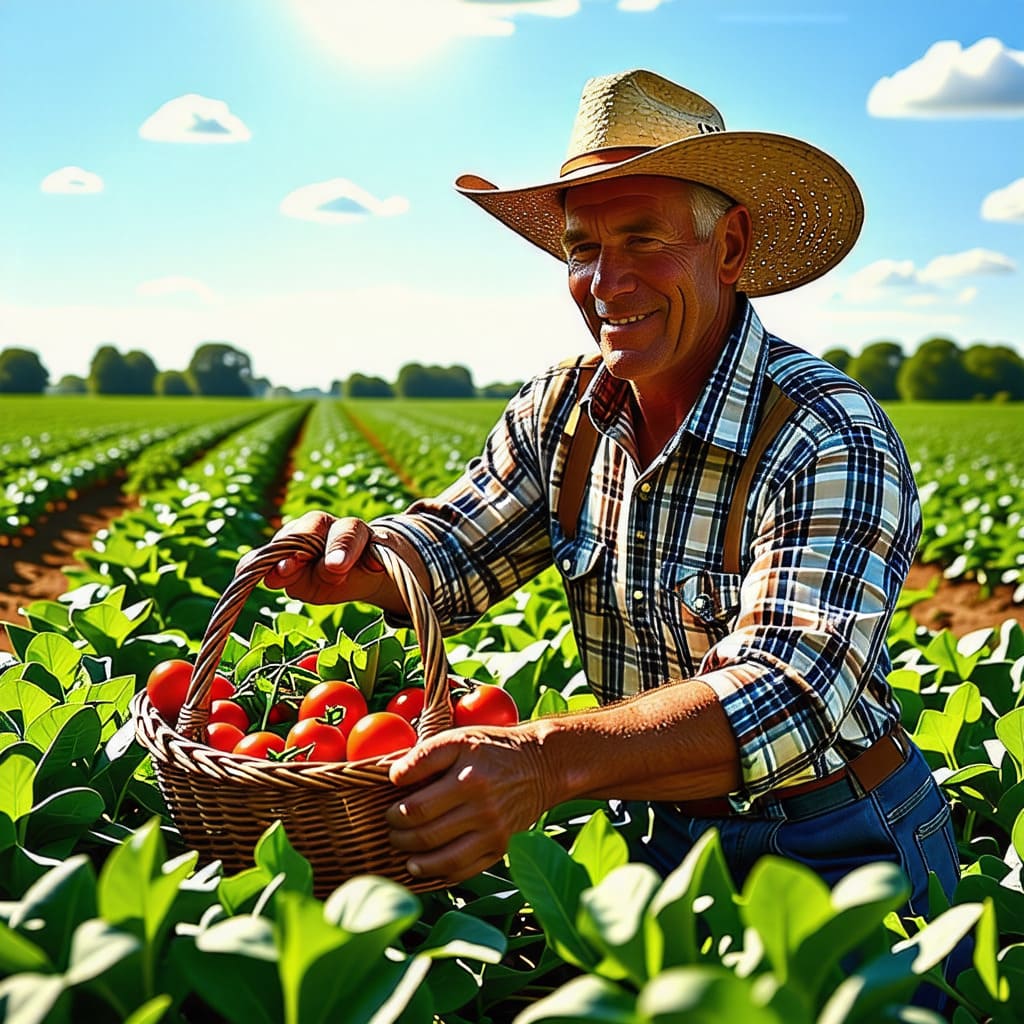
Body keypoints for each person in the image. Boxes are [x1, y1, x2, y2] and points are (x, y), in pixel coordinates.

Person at [253, 69, 960, 915]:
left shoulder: (824, 432)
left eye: (643, 240)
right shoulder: (563, 406)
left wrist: (543, 761)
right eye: (582, 248)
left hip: (837, 837)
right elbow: (461, 544)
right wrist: (365, 557)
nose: (605, 282)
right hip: (652, 829)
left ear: (730, 248)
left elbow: (790, 692)